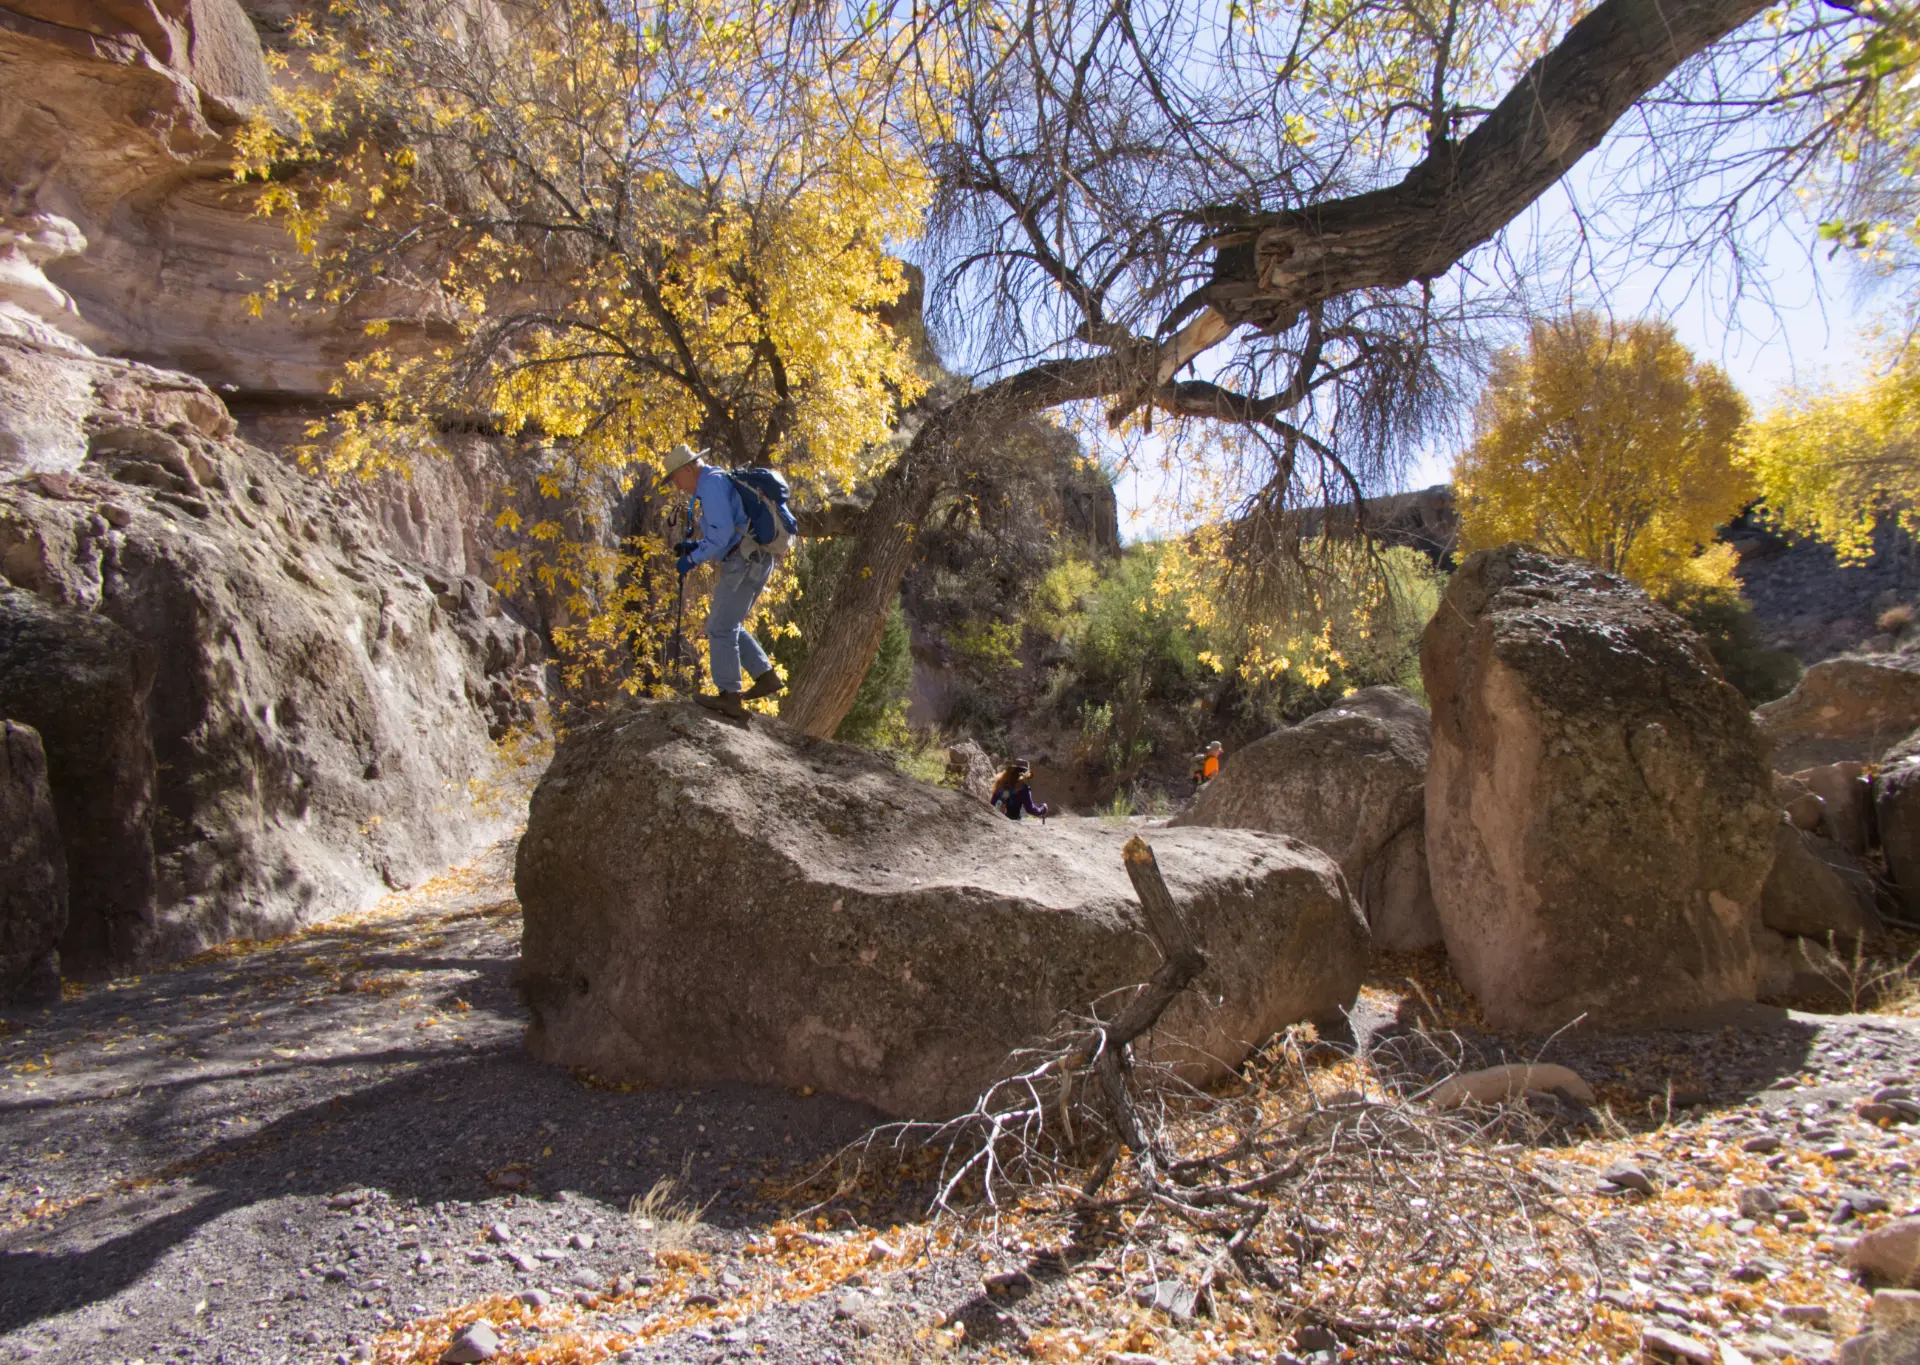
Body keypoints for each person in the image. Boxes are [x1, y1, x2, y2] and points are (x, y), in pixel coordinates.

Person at [659, 443, 782, 719]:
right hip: (755, 558)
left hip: (744, 561)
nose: (678, 486)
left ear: (689, 469)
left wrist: (691, 559)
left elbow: (723, 533)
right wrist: (696, 547)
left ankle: (730, 696)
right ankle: (766, 676)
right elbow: (726, 530)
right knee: (729, 624)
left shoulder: (711, 486)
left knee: (719, 626)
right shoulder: (718, 478)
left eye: (677, 478)